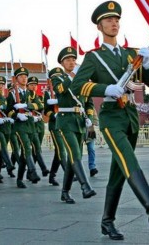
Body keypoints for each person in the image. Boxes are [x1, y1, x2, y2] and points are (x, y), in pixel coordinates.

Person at [71, 0, 149, 240]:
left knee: (118, 169)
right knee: (128, 158)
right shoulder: (94, 58)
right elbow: (77, 85)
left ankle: (107, 221)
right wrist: (105, 88)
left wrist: (147, 63)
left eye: (116, 20)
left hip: (130, 116)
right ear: (99, 26)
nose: (113, 23)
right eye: (108, 20)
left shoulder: (130, 54)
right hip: (111, 116)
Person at [50, 46, 97, 204]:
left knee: (73, 157)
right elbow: (61, 90)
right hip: (65, 121)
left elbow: (89, 102)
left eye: (73, 59)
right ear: (62, 63)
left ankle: (65, 192)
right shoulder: (58, 77)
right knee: (75, 154)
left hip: (80, 122)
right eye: (68, 60)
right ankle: (85, 187)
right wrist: (73, 76)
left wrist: (89, 117)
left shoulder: (81, 79)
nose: (71, 62)